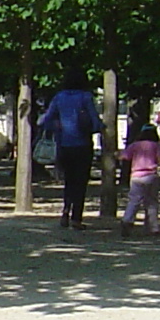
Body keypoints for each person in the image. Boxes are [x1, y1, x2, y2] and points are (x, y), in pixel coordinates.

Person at [37, 74, 102, 230]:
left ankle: (65, 211)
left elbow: (45, 120)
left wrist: (57, 127)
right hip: (83, 145)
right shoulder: (85, 97)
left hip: (64, 145)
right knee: (81, 182)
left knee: (69, 181)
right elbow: (95, 121)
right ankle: (76, 218)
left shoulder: (59, 97)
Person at [120, 122, 160, 236]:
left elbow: (124, 156)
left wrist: (116, 154)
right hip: (151, 176)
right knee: (152, 202)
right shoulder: (156, 146)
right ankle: (153, 227)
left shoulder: (135, 145)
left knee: (134, 200)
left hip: (136, 176)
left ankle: (127, 220)